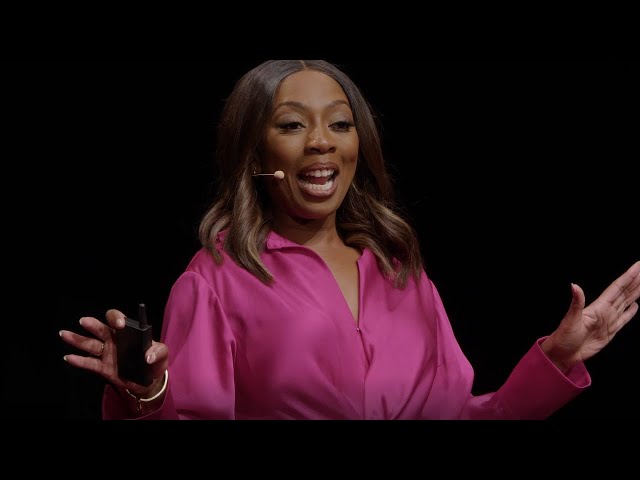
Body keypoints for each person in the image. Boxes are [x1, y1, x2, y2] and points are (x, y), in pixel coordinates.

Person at [59, 60, 639, 420]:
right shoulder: (216, 278)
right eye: (292, 124)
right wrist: (148, 394)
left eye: (340, 123)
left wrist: (555, 360)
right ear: (254, 154)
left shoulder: (402, 275)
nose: (322, 141)